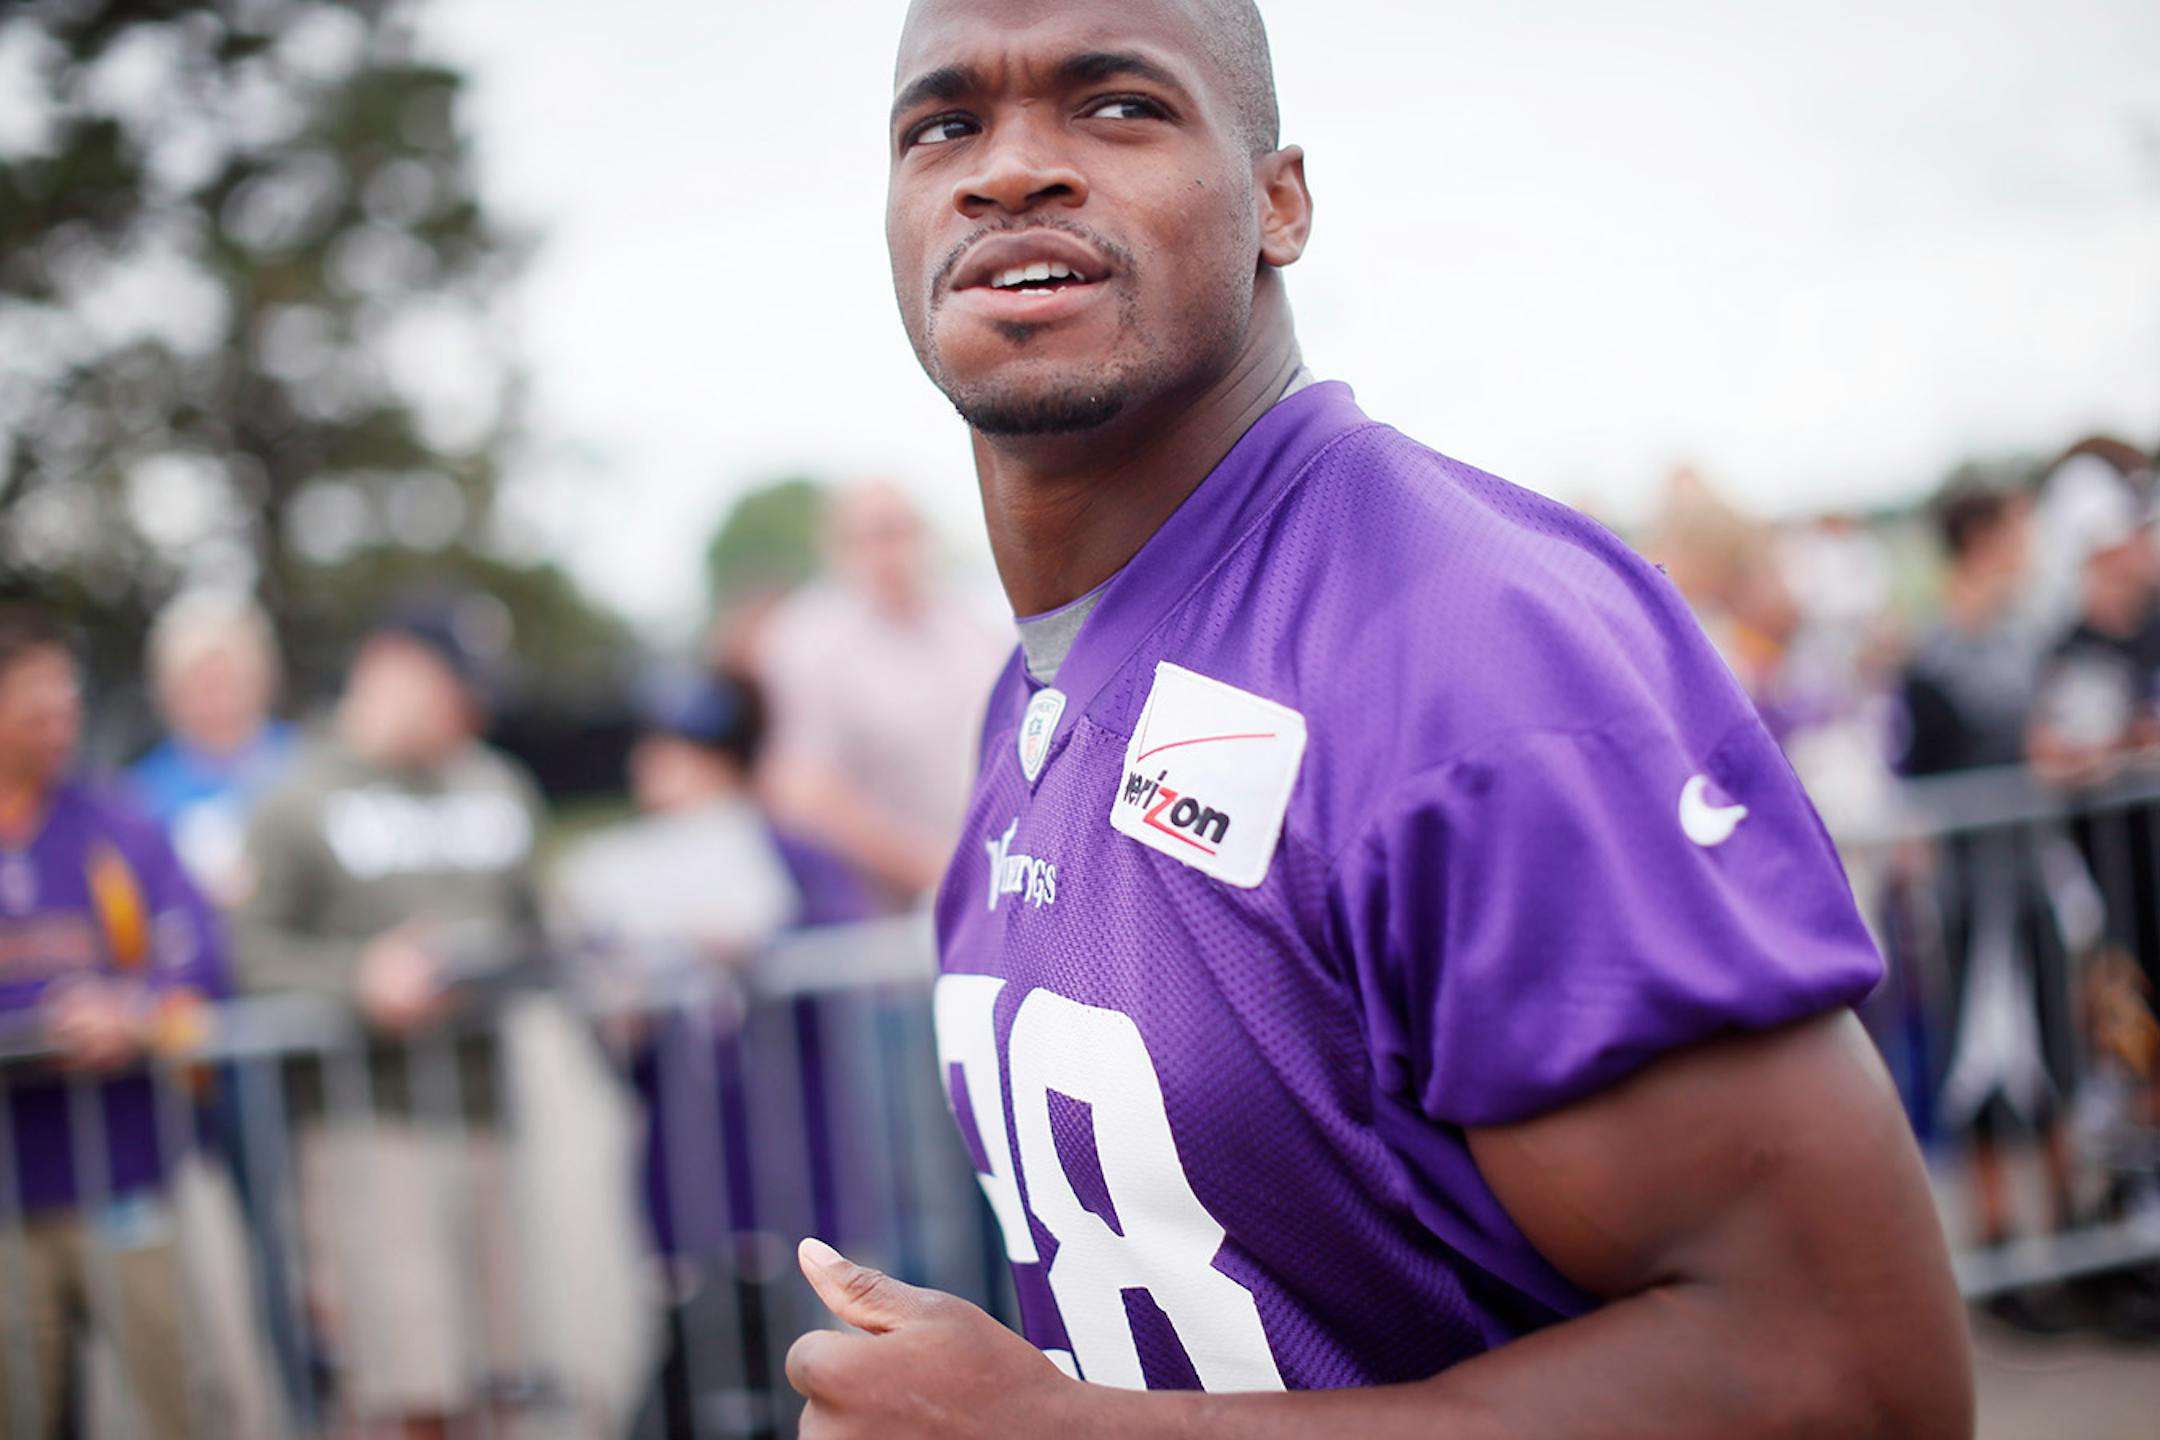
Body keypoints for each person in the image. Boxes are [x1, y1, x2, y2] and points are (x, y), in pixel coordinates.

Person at [781, 2, 1973, 1436]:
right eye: (945, 125)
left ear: (1279, 202)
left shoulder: (1467, 655)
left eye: (1116, 106)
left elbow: (1847, 1378)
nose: (1008, 169)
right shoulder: (1023, 697)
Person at [229, 598, 544, 1439]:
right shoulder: (294, 796)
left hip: (484, 1115)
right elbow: (245, 955)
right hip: (366, 1128)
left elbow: (540, 922)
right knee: (406, 1386)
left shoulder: (495, 782)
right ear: (390, 664)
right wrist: (357, 981)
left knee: (499, 1375)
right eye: (454, 686)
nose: (469, 711)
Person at [555, 671, 869, 1440]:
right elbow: (617, 1050)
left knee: (796, 1363)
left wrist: (760, 951)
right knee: (697, 1358)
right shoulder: (623, 875)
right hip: (685, 1173)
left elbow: (844, 948)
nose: (663, 771)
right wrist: (618, 1020)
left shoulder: (789, 855)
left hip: (792, 1167)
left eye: (692, 755)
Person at [0, 602, 225, 1439]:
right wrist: (35, 1025)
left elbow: (196, 948)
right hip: (9, 1190)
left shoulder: (117, 822)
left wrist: (131, 1012)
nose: (61, 725)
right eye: (35, 709)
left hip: (122, 1177)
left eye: (69, 704)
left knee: (183, 1395)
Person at [1897, 487, 2090, 1256]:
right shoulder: (1935, 656)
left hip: (2033, 877)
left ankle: (2071, 1228)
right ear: (1982, 539)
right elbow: (1923, 775)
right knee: (1977, 1059)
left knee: (2054, 1046)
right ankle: (1999, 1235)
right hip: (1973, 892)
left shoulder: (2022, 638)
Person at [757, 482, 1009, 909]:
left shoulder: (971, 626)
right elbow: (803, 791)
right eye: (876, 535)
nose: (893, 551)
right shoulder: (808, 640)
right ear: (835, 547)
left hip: (987, 883)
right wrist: (941, 870)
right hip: (880, 918)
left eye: (904, 531)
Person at [126, 592, 297, 907]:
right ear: (169, 692)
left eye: (226, 678)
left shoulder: (306, 765)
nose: (215, 698)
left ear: (261, 679)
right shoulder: (142, 794)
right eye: (198, 682)